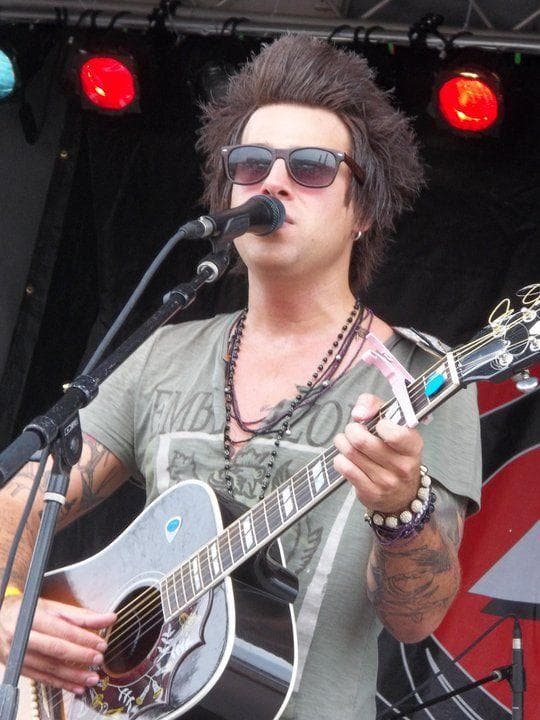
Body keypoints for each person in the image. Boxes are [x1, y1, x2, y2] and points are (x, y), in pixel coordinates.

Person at [0, 35, 481, 719]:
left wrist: (401, 510)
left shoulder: (423, 380)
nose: (272, 183)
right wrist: (10, 611)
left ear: (364, 210)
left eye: (311, 167)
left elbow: (417, 618)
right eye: (251, 163)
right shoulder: (161, 355)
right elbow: (19, 506)